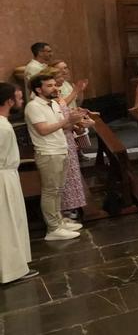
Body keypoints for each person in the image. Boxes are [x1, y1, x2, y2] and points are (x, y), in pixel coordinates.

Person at [25, 75, 88, 241]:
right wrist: (67, 120)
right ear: (38, 89)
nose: (55, 88)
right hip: (48, 152)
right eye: (50, 85)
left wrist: (75, 121)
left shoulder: (53, 103)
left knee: (59, 189)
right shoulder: (33, 106)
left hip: (61, 149)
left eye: (55, 85)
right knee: (50, 191)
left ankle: (59, 221)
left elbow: (64, 126)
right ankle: (53, 228)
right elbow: (43, 130)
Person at [0, 83, 36, 282]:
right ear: (9, 101)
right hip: (3, 179)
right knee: (8, 223)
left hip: (7, 175)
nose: (22, 101)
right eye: (19, 98)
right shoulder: (3, 126)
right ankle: (11, 269)